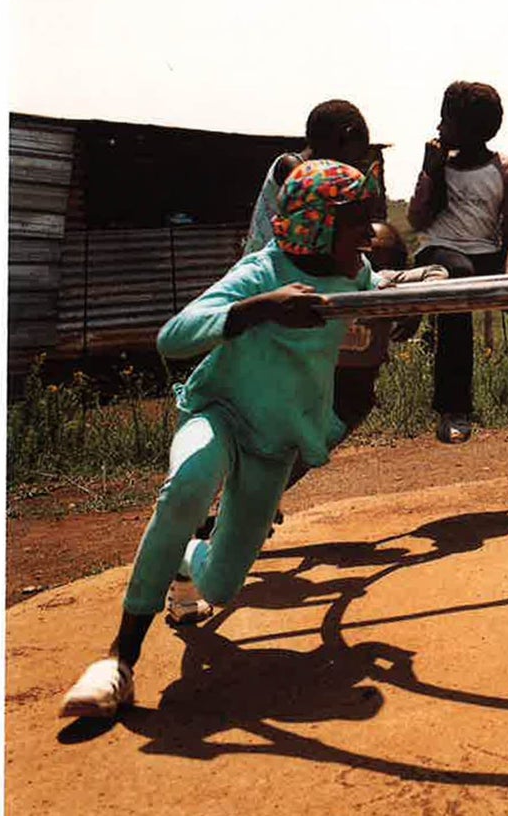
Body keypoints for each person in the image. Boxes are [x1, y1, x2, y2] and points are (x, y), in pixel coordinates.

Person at [60, 159, 380, 720]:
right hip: (220, 412)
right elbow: (173, 337)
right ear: (316, 225)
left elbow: (373, 319)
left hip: (275, 441)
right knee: (189, 485)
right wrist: (260, 309)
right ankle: (118, 660)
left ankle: (185, 562)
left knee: (222, 586)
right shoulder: (262, 271)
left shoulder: (357, 275)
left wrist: (404, 305)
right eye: (356, 223)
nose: (369, 234)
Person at [280, 222, 447, 493]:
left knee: (311, 448)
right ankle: (259, 498)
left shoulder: (386, 280)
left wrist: (414, 306)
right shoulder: (333, 276)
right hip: (313, 377)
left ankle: (267, 496)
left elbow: (437, 272)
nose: (369, 257)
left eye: (379, 251)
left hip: (352, 391)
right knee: (284, 443)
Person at [407, 81, 508, 444]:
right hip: (440, 252)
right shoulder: (439, 165)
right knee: (459, 277)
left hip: (485, 254)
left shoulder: (506, 168)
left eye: (446, 121)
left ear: (470, 130)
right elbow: (417, 221)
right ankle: (453, 408)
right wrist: (430, 172)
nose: (438, 127)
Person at [243, 99, 381, 256]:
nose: (351, 164)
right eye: (356, 153)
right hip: (272, 265)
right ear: (345, 137)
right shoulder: (294, 169)